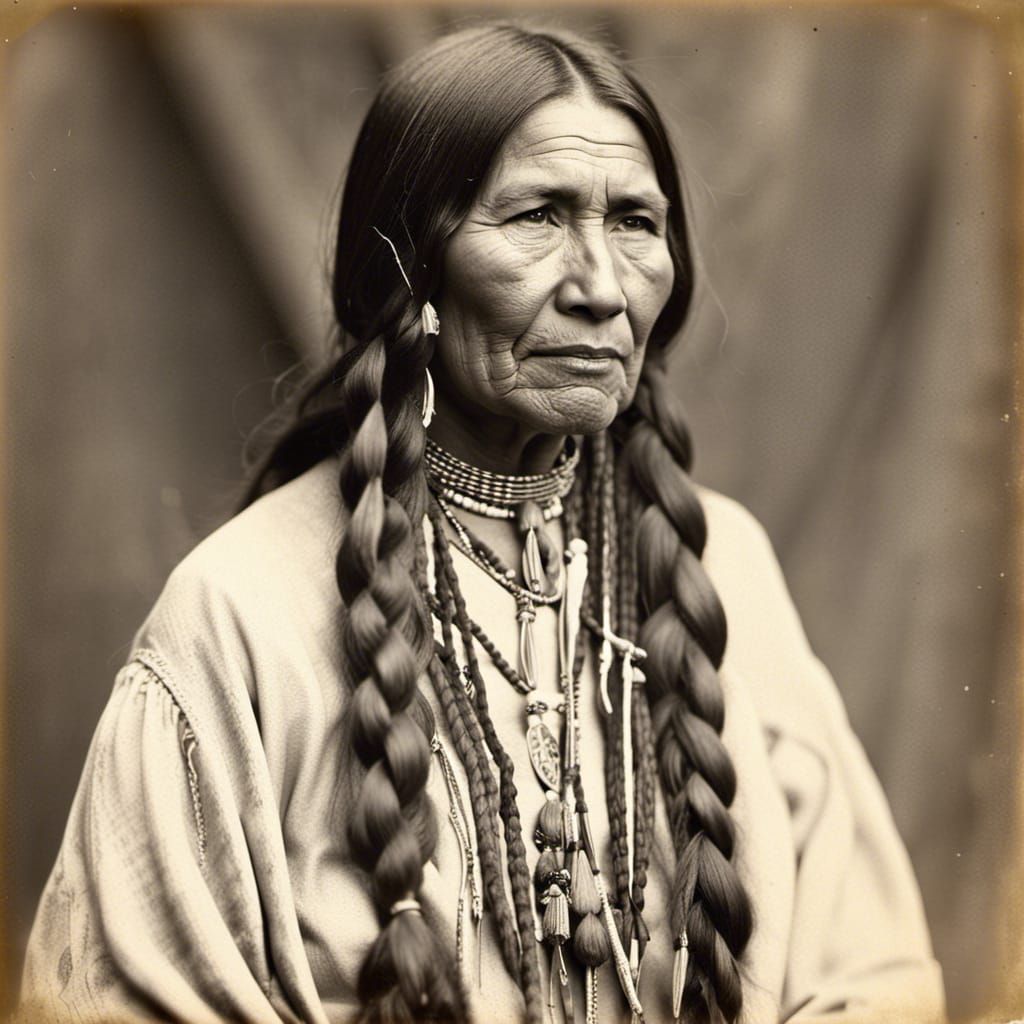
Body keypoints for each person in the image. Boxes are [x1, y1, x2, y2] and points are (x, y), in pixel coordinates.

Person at [20, 21, 946, 1024]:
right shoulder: (244, 613)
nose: (599, 286)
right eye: (540, 217)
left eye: (635, 222)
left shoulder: (724, 567)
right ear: (413, 276)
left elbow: (874, 979)